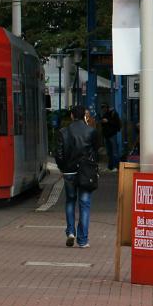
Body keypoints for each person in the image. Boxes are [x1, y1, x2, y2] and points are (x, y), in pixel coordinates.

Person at [55, 105, 102, 248]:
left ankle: (70, 232)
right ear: (85, 116)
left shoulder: (63, 132)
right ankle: (83, 240)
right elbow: (96, 150)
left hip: (69, 172)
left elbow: (58, 154)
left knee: (70, 201)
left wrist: (63, 168)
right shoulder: (91, 131)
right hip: (86, 172)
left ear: (71, 116)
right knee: (85, 205)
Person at [100, 103, 122, 171]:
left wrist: (108, 121)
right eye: (102, 108)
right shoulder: (105, 114)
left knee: (114, 151)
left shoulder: (114, 114)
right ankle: (110, 166)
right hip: (107, 135)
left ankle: (116, 166)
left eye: (104, 108)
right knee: (109, 152)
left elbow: (116, 123)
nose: (103, 109)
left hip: (112, 135)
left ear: (107, 108)